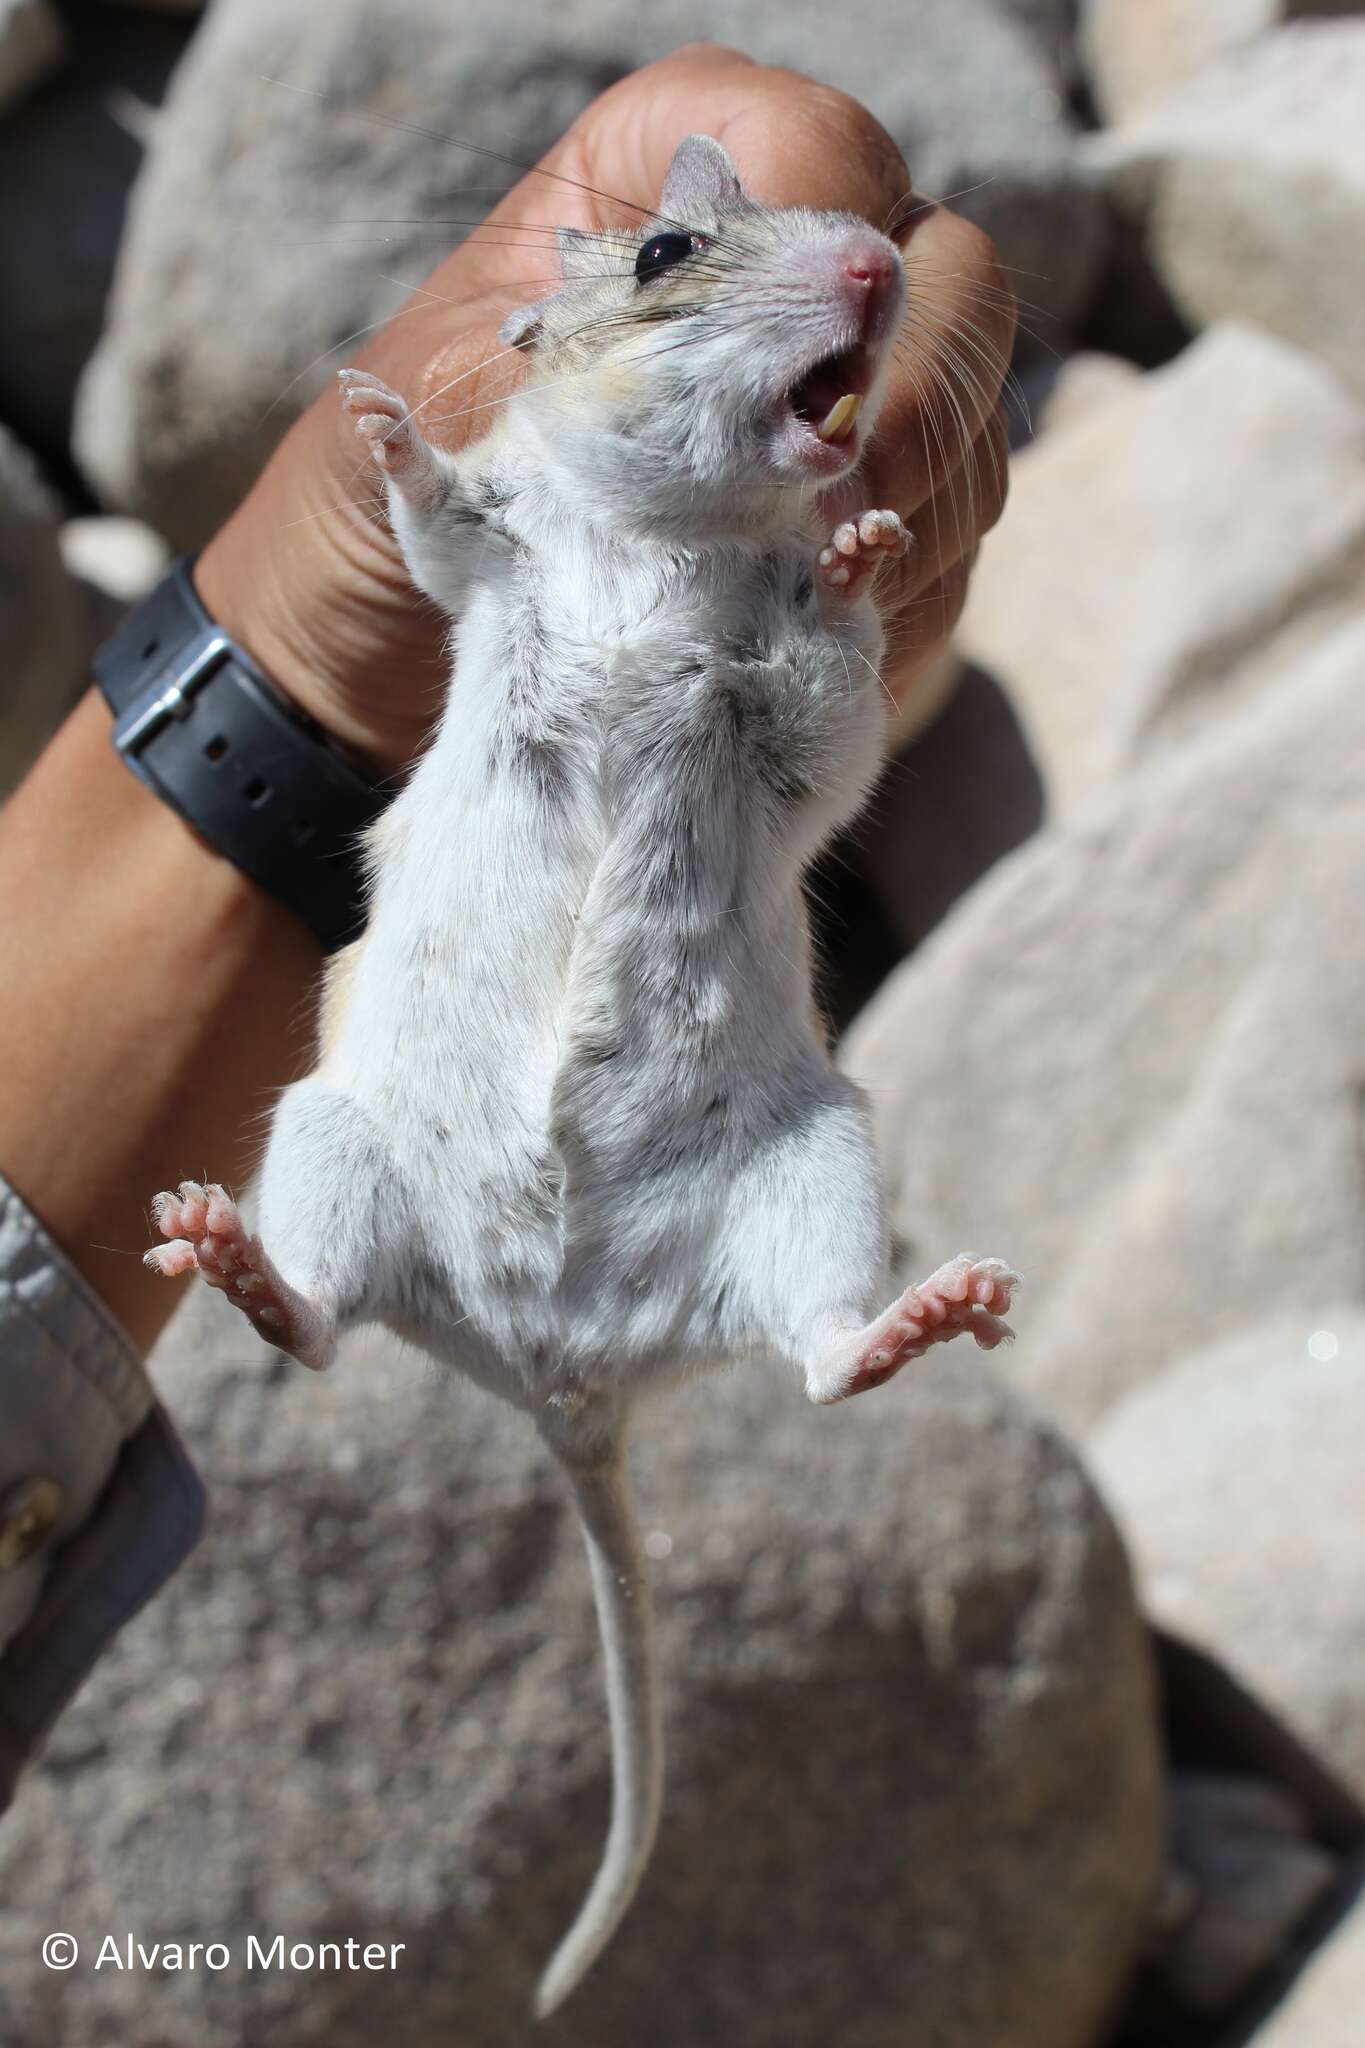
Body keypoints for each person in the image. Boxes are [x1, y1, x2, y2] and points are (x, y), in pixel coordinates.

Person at [0, 43, 1013, 1807]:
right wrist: (398, 489)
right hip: (447, 1159)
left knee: (807, 1147)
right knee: (329, 1132)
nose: (847, 275)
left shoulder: (786, 576)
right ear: (550, 344)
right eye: (680, 265)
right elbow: (459, 554)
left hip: (691, 1162)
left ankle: (826, 1329)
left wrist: (840, 634)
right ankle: (303, 1294)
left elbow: (813, 774)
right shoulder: (526, 495)